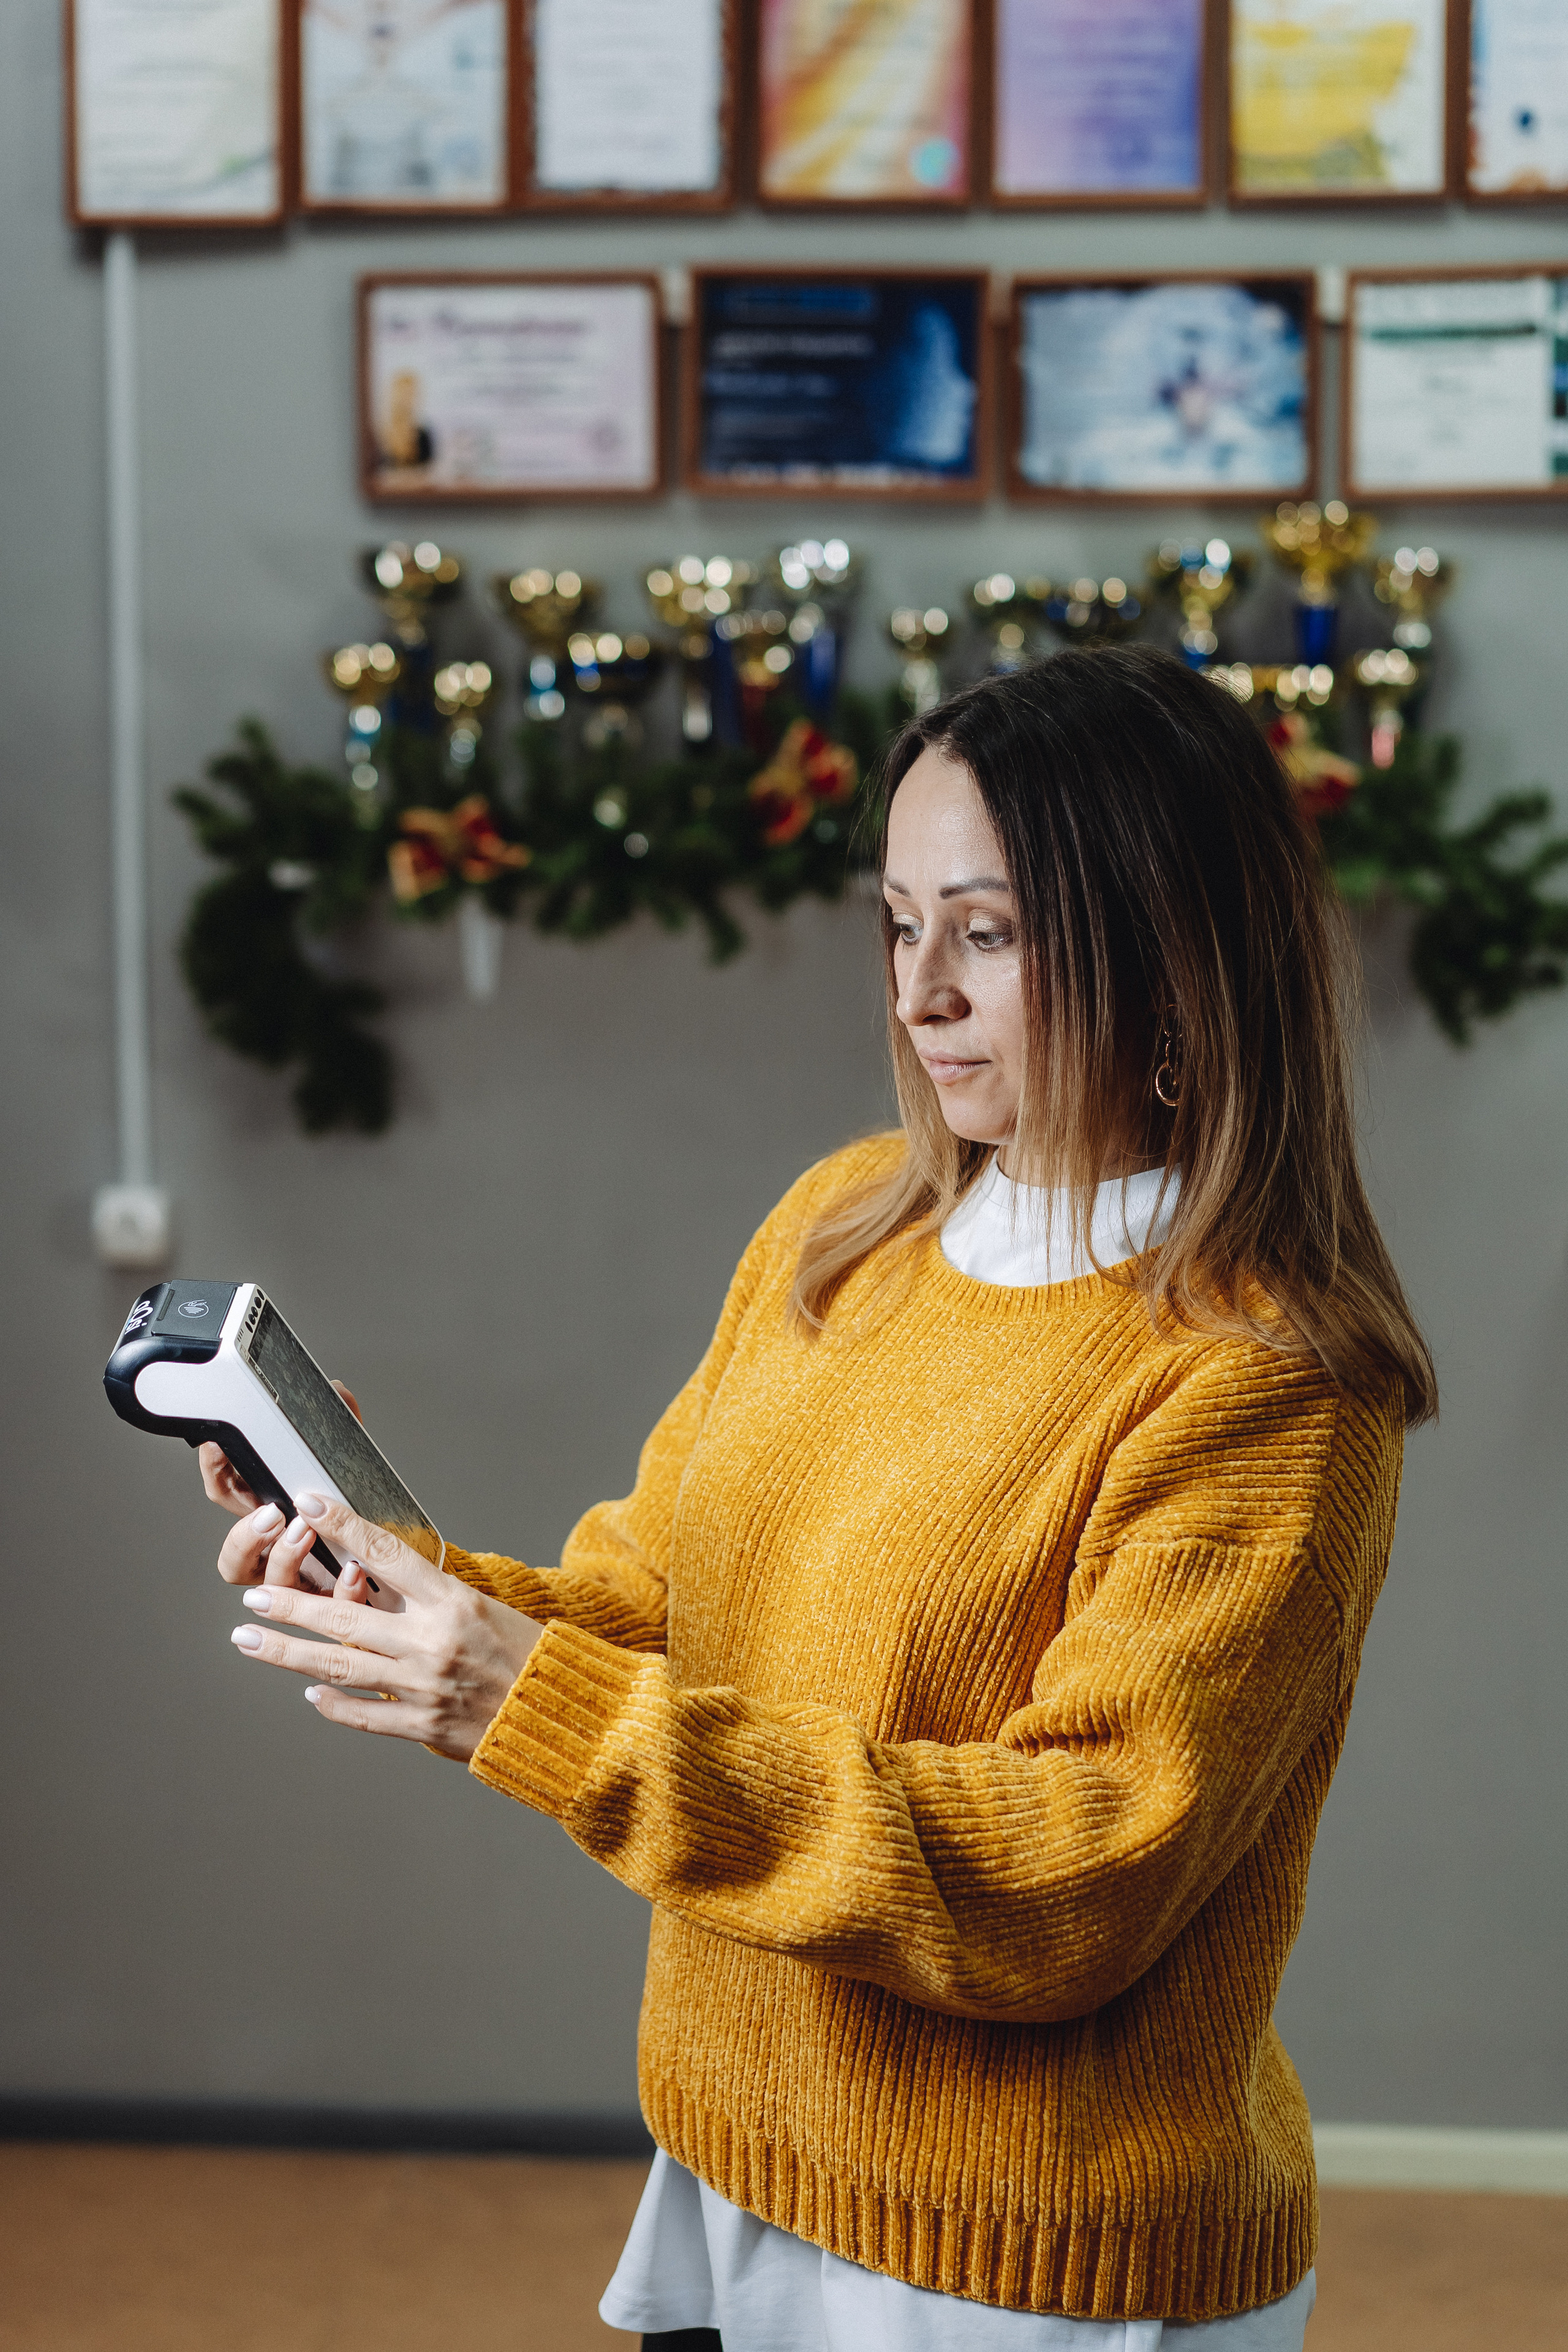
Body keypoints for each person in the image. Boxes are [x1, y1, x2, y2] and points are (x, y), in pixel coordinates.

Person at [205, 646, 1436, 2351]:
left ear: (1174, 957)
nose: (919, 991)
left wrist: (531, 1703)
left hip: (1021, 2270)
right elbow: (654, 1600)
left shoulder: (1270, 1381)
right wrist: (407, 1585)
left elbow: (1069, 1879)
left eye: (988, 934)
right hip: (730, 2164)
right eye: (898, 922)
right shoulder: (844, 1224)